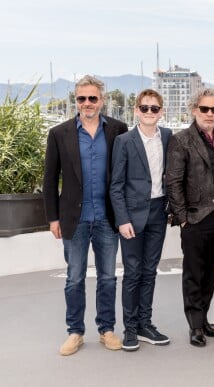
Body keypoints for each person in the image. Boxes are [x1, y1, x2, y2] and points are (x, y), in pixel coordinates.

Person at [43, 75, 128, 356]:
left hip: (107, 218)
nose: (87, 103)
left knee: (107, 278)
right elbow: (50, 179)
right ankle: (75, 332)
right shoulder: (59, 133)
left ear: (101, 100)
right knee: (74, 278)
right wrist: (53, 218)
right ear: (76, 101)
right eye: (82, 98)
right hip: (73, 219)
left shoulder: (118, 129)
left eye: (92, 98)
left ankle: (106, 329)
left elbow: (124, 175)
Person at [165, 88, 214, 348]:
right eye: (204, 109)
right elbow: (173, 182)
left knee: (212, 272)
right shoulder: (181, 140)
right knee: (194, 274)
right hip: (195, 219)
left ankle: (203, 319)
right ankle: (194, 326)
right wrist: (183, 218)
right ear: (194, 110)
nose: (209, 114)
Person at [109, 89, 172, 351]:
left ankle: (146, 324)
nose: (149, 112)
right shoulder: (124, 141)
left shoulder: (168, 137)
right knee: (132, 273)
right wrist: (122, 220)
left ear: (161, 112)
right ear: (136, 110)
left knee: (150, 270)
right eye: (144, 108)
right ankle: (130, 328)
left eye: (154, 108)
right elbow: (116, 185)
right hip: (132, 216)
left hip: (159, 212)